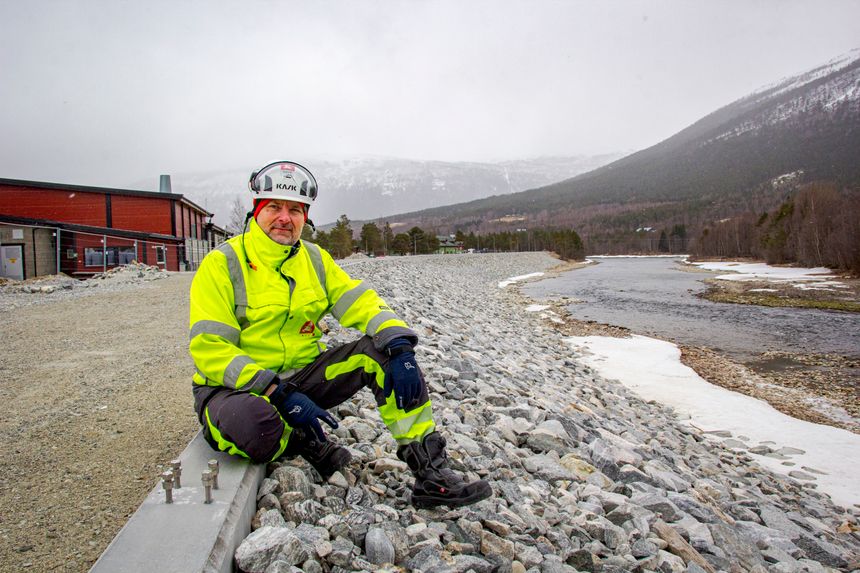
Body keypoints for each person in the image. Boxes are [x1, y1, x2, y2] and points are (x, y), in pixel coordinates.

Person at [188, 160, 491, 508]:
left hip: (302, 378)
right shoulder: (222, 262)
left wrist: (399, 343)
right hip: (234, 388)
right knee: (255, 427)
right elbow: (210, 347)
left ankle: (430, 470)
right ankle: (302, 440)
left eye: (295, 210)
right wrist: (275, 391)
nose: (284, 218)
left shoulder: (314, 259)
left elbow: (359, 300)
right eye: (274, 207)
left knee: (382, 355)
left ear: (306, 217)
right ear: (256, 211)